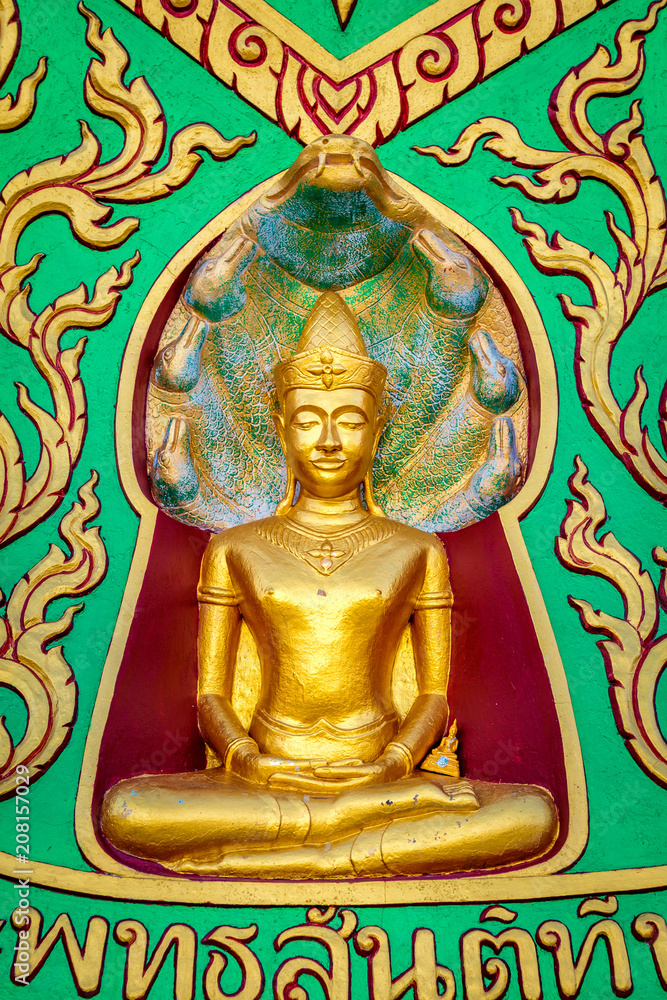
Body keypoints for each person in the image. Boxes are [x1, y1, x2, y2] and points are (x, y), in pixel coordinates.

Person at [101, 292, 557, 878]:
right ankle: (345, 833)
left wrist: (394, 764)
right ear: (280, 427)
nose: (329, 441)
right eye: (308, 420)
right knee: (130, 810)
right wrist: (247, 759)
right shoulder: (235, 548)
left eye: (351, 420)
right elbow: (211, 694)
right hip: (266, 777)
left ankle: (320, 844)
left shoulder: (417, 549)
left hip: (380, 773)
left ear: (378, 428)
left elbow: (433, 695)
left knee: (532, 816)